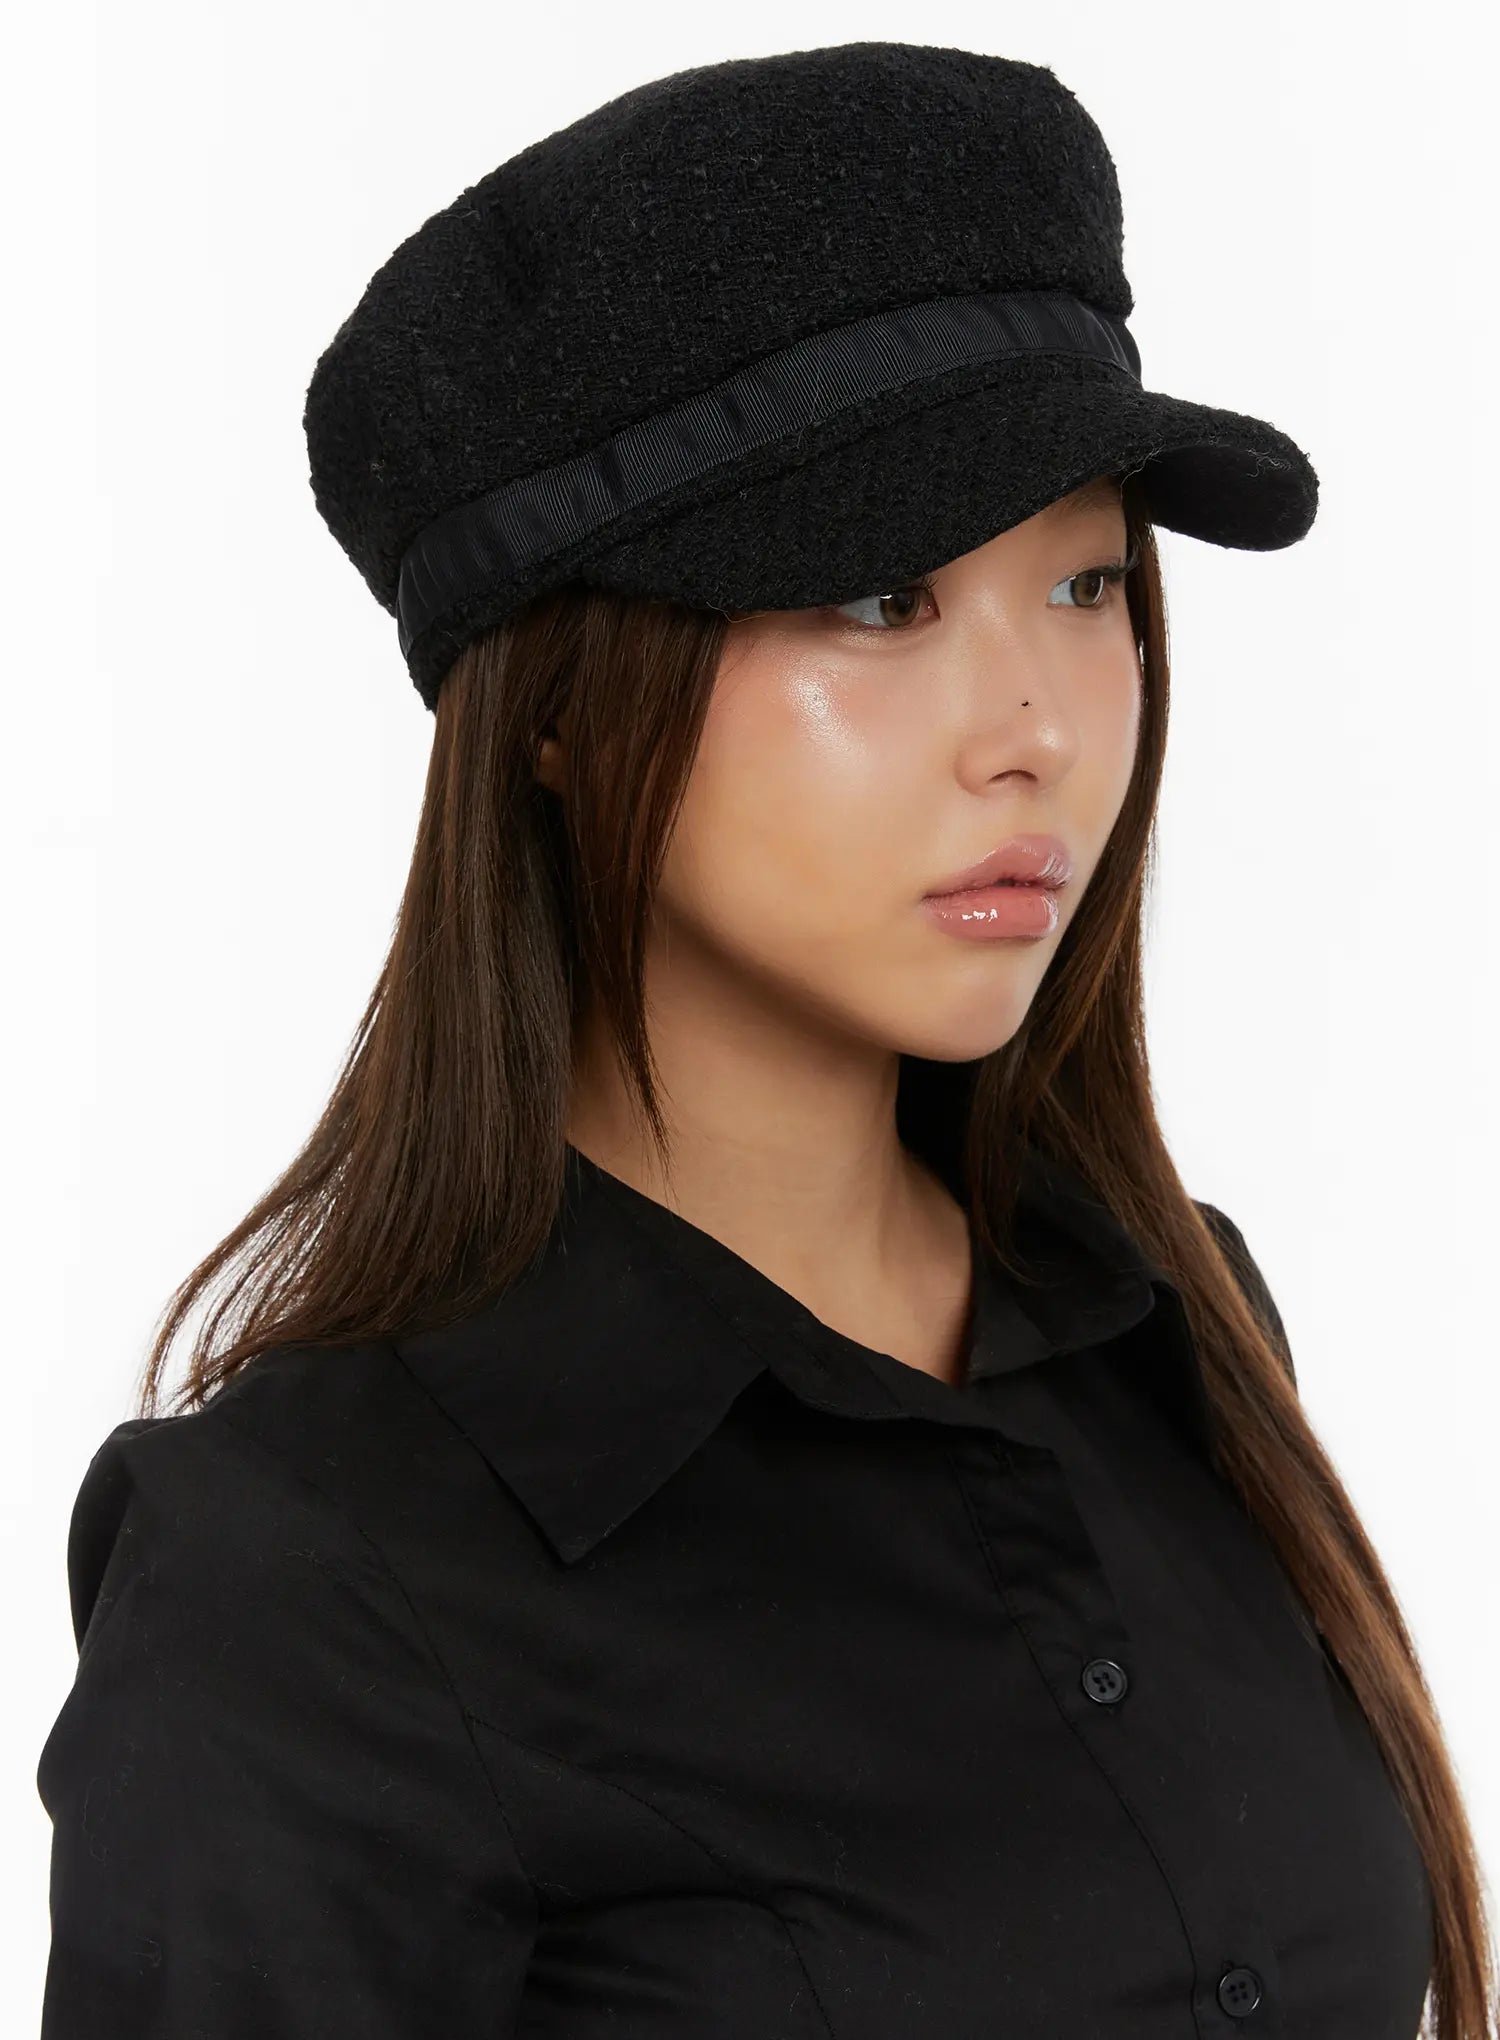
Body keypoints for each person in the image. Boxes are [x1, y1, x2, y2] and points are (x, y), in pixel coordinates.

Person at [35, 39, 1496, 2040]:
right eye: (887, 598)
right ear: (560, 710)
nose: (1037, 728)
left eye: (1087, 582)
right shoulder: (312, 1573)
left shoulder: (1172, 1325)